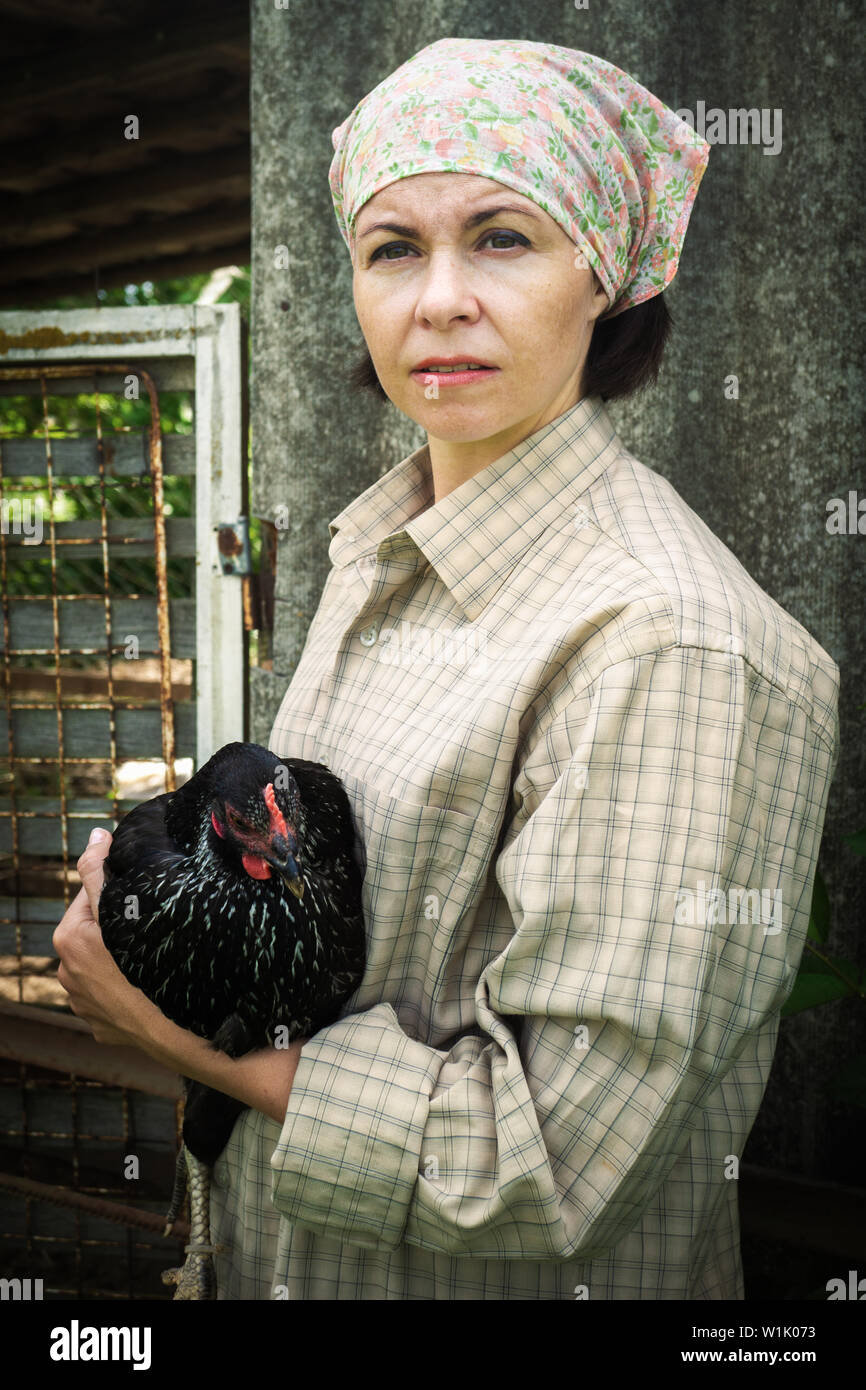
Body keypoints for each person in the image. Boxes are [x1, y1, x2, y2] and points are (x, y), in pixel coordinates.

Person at [54, 37, 840, 1300]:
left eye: (504, 237)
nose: (436, 300)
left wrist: (168, 1037)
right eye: (392, 248)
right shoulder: (384, 561)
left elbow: (552, 1163)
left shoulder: (666, 640)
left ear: (608, 279)